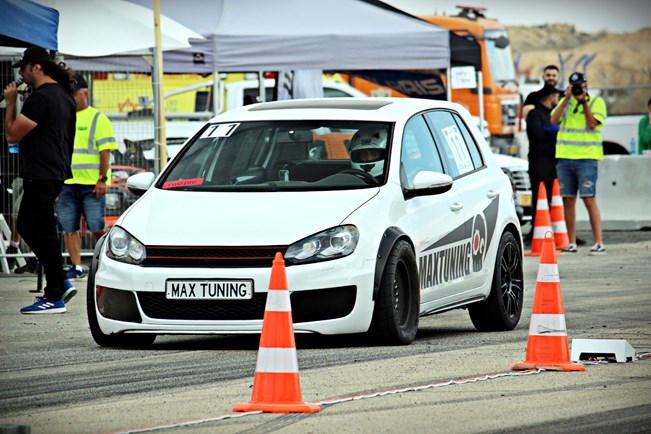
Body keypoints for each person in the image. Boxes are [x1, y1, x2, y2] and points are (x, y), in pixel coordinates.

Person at [3, 46, 77, 313]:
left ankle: (54, 293)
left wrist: (11, 102)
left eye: (23, 68)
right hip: (54, 171)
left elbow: (12, 135)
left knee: (36, 229)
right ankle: (61, 281)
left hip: (42, 172)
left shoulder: (42, 98)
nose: (21, 73)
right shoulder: (63, 95)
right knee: (33, 226)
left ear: (37, 67)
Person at [56, 74, 117, 280]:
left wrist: (102, 179)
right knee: (68, 226)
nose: (71, 98)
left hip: (92, 185)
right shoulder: (65, 117)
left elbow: (105, 152)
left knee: (96, 225)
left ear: (85, 94)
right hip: (68, 184)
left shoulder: (98, 119)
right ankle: (77, 266)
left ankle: (112, 256)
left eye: (74, 94)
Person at [550, 72, 607, 255]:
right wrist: (566, 99)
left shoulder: (595, 102)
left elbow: (592, 124)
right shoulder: (566, 101)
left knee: (589, 198)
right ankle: (571, 242)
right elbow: (553, 120)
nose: (577, 89)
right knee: (568, 199)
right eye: (574, 86)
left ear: (586, 85)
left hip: (587, 158)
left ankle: (598, 242)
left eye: (580, 85)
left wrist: (583, 102)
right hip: (565, 157)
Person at [526, 83, 560, 236]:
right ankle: (536, 230)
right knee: (540, 196)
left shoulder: (553, 114)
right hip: (539, 161)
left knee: (556, 197)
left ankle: (558, 229)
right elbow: (538, 133)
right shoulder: (535, 114)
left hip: (554, 160)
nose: (557, 99)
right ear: (550, 97)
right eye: (556, 96)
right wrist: (551, 131)